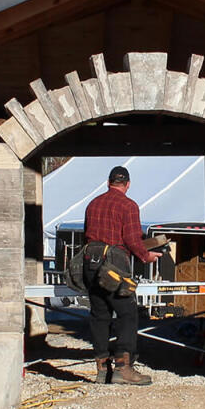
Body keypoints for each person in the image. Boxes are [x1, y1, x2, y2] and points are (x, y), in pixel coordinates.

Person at [81, 165, 162, 385]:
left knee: (100, 315)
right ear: (127, 184)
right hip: (114, 265)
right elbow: (132, 240)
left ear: (108, 183)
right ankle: (123, 369)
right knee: (127, 313)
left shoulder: (93, 204)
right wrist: (146, 256)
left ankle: (102, 370)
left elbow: (87, 235)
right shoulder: (129, 206)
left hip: (90, 263)